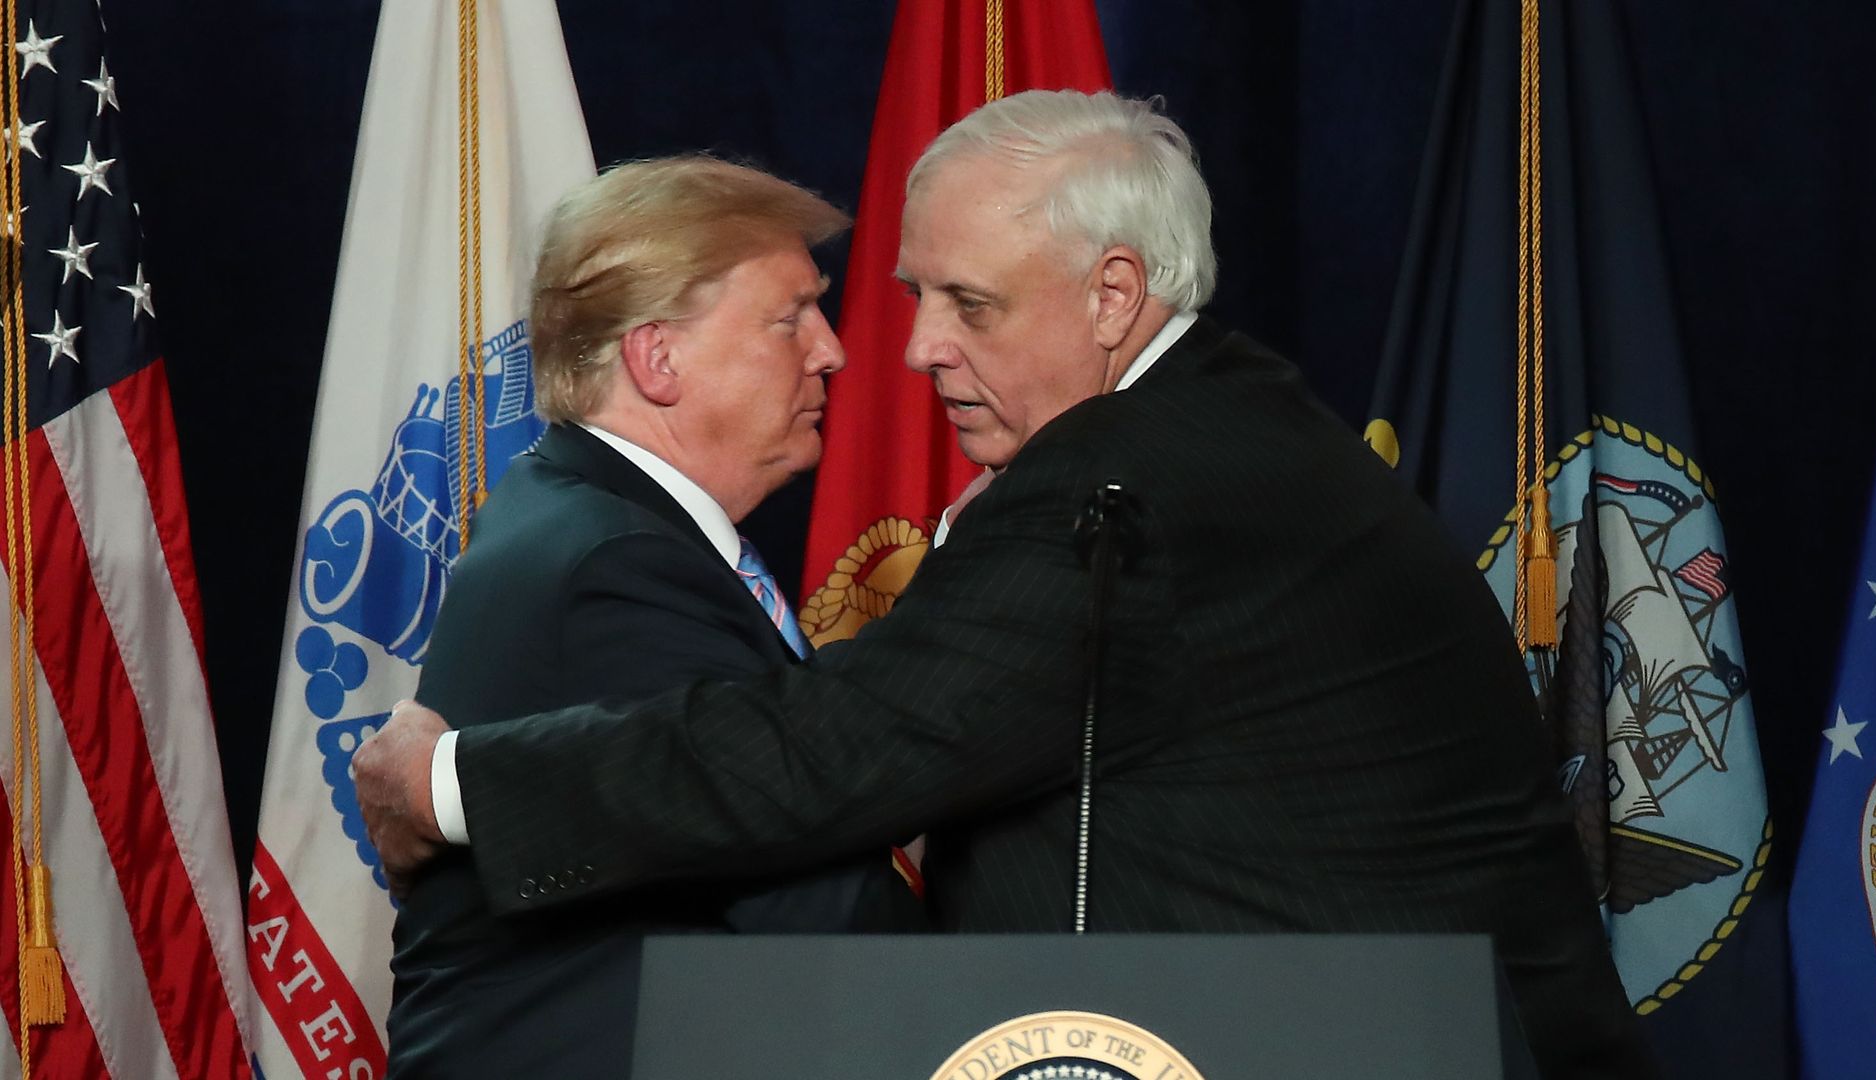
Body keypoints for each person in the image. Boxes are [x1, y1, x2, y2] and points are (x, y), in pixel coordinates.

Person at [355, 91, 1655, 1077]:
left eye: (967, 305)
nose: (911, 348)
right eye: (918, 294)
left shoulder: (1136, 488)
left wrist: (456, 784)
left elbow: (842, 748)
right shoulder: (1208, 436)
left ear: (1113, 296)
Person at [378, 155, 922, 1078]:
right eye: (791, 316)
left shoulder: (580, 508)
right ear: (657, 356)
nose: (830, 348)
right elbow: (814, 907)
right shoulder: (616, 568)